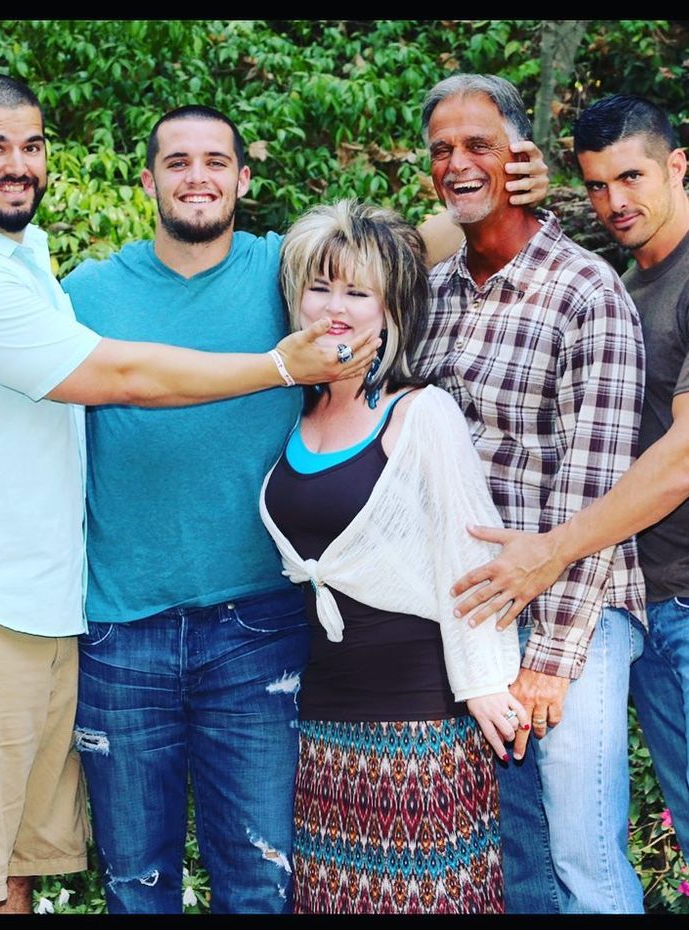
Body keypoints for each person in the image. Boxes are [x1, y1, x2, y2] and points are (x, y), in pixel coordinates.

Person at [0, 74, 376, 916]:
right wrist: (282, 366)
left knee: (27, 877)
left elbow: (384, 265)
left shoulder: (34, 264)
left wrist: (485, 205)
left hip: (147, 622)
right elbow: (118, 377)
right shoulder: (29, 284)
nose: (16, 164)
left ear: (246, 177)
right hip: (25, 619)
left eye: (30, 146)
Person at [60, 105, 549, 914]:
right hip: (123, 625)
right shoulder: (88, 292)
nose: (197, 177)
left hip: (256, 629)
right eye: (177, 162)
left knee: (262, 880)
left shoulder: (283, 272)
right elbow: (19, 372)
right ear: (146, 181)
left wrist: (495, 189)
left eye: (216, 160)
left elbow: (392, 252)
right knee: (135, 880)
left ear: (244, 181)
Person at [452, 93, 689, 913]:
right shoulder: (619, 286)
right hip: (652, 592)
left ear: (677, 166)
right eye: (595, 186)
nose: (615, 202)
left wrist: (551, 550)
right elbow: (449, 244)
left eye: (632, 177)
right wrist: (501, 192)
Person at [414, 74, 648, 914]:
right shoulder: (433, 296)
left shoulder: (587, 292)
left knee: (583, 858)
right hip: (478, 619)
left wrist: (551, 664)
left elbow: (599, 491)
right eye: (442, 149)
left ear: (520, 158)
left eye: (478, 144)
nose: (457, 163)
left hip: (571, 618)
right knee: (517, 865)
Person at [257, 198, 527, 914]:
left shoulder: (417, 412)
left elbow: (469, 555)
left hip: (420, 720)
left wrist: (486, 684)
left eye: (357, 291)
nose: (335, 307)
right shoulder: (290, 411)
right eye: (320, 286)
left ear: (391, 308)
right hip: (319, 724)